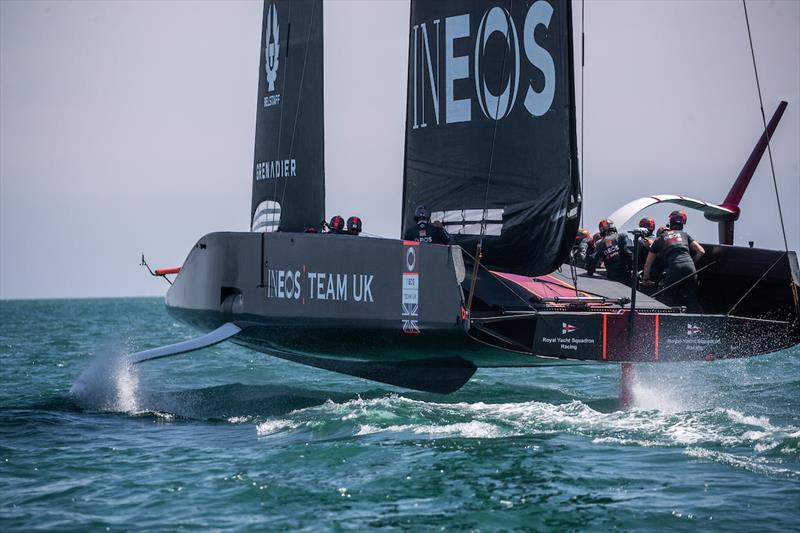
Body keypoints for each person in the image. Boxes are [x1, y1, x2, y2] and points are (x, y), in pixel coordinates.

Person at [643, 210, 705, 311]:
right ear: (683, 223)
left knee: (667, 300)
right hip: (690, 268)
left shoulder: (660, 238)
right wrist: (691, 264)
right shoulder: (685, 235)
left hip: (674, 268)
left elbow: (648, 263)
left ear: (671, 222)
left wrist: (646, 279)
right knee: (693, 300)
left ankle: (666, 324)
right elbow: (701, 251)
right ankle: (698, 324)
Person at [587, 218, 633, 284]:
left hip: (612, 278)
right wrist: (632, 270)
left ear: (602, 230)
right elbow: (629, 253)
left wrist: (589, 273)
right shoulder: (622, 236)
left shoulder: (599, 244)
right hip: (626, 275)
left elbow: (592, 260)